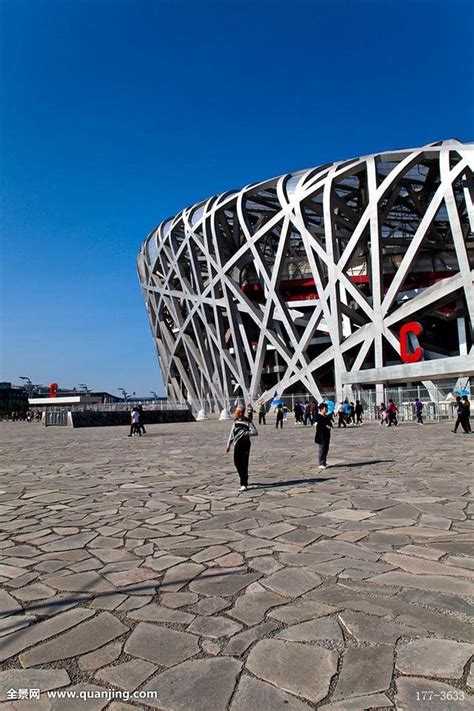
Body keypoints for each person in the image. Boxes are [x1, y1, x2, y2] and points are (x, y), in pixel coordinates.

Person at [225, 405, 258, 491]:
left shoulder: (248, 421)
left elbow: (255, 432)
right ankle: (243, 477)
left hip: (245, 444)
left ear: (240, 413)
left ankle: (243, 483)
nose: (234, 413)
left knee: (244, 463)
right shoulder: (235, 421)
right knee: (237, 463)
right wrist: (228, 444)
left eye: (236, 412)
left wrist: (245, 433)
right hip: (237, 444)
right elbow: (232, 433)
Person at [315, 402, 333, 469]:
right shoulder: (319, 416)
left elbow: (330, 424)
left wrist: (329, 426)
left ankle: (324, 462)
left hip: (327, 435)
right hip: (321, 435)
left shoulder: (326, 416)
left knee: (326, 449)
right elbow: (319, 425)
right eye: (325, 408)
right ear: (321, 409)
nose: (327, 409)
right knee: (322, 449)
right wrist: (326, 426)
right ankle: (321, 463)